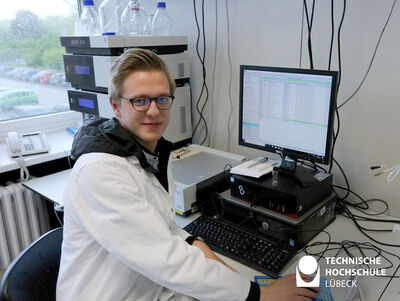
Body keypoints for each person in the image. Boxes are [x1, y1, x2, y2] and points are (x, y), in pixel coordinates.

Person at [56, 48, 318, 301]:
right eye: (140, 100)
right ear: (115, 105)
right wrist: (259, 294)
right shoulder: (100, 172)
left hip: (147, 285)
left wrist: (197, 243)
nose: (153, 111)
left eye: (161, 99)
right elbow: (164, 257)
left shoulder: (149, 151)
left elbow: (163, 227)